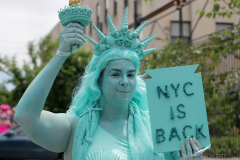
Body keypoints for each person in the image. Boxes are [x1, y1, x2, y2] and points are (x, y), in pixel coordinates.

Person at [15, 8, 203, 160]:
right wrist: (61, 54)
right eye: (115, 74)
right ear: (98, 80)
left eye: (130, 74)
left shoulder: (160, 126)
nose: (124, 81)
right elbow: (25, 116)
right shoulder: (76, 127)